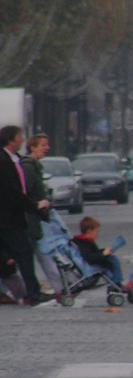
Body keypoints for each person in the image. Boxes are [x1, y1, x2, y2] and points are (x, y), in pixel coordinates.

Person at [0, 125, 52, 305]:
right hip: (8, 220)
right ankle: (33, 294)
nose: (22, 139)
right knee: (24, 253)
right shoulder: (4, 160)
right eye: (19, 136)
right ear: (11, 140)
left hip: (10, 218)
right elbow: (12, 192)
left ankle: (26, 292)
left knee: (11, 257)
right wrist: (34, 206)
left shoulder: (13, 159)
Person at [21, 133, 64, 298]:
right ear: (32, 146)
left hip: (36, 218)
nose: (47, 148)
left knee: (43, 254)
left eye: (47, 145)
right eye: (43, 145)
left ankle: (60, 289)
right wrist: (38, 204)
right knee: (29, 256)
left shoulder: (34, 166)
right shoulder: (28, 166)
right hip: (30, 218)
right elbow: (25, 193)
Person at [73, 216, 125, 287]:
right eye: (96, 232)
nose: (97, 234)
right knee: (114, 260)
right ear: (89, 231)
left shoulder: (86, 241)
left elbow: (94, 252)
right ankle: (117, 283)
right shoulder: (83, 243)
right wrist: (103, 254)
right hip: (92, 264)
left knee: (112, 259)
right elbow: (89, 257)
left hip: (95, 260)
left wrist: (104, 251)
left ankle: (116, 283)